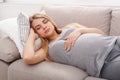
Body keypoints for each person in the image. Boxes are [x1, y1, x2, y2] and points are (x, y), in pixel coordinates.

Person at [22, 13, 120, 80]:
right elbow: (28, 58)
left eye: (45, 21)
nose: (44, 26)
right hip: (104, 63)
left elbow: (101, 33)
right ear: (37, 33)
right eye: (38, 28)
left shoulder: (71, 27)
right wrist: (31, 36)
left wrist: (79, 31)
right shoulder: (47, 49)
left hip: (114, 42)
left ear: (51, 21)